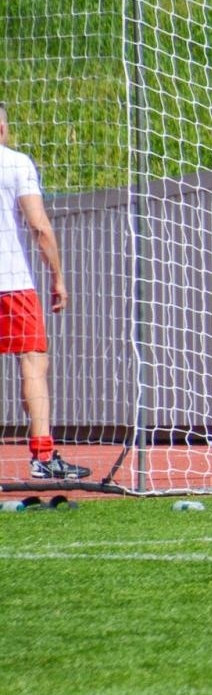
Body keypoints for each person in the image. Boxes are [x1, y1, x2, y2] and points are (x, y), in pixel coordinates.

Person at [0, 104, 90, 481]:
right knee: (34, 363)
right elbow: (39, 226)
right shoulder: (16, 163)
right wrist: (58, 277)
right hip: (11, 280)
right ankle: (42, 455)